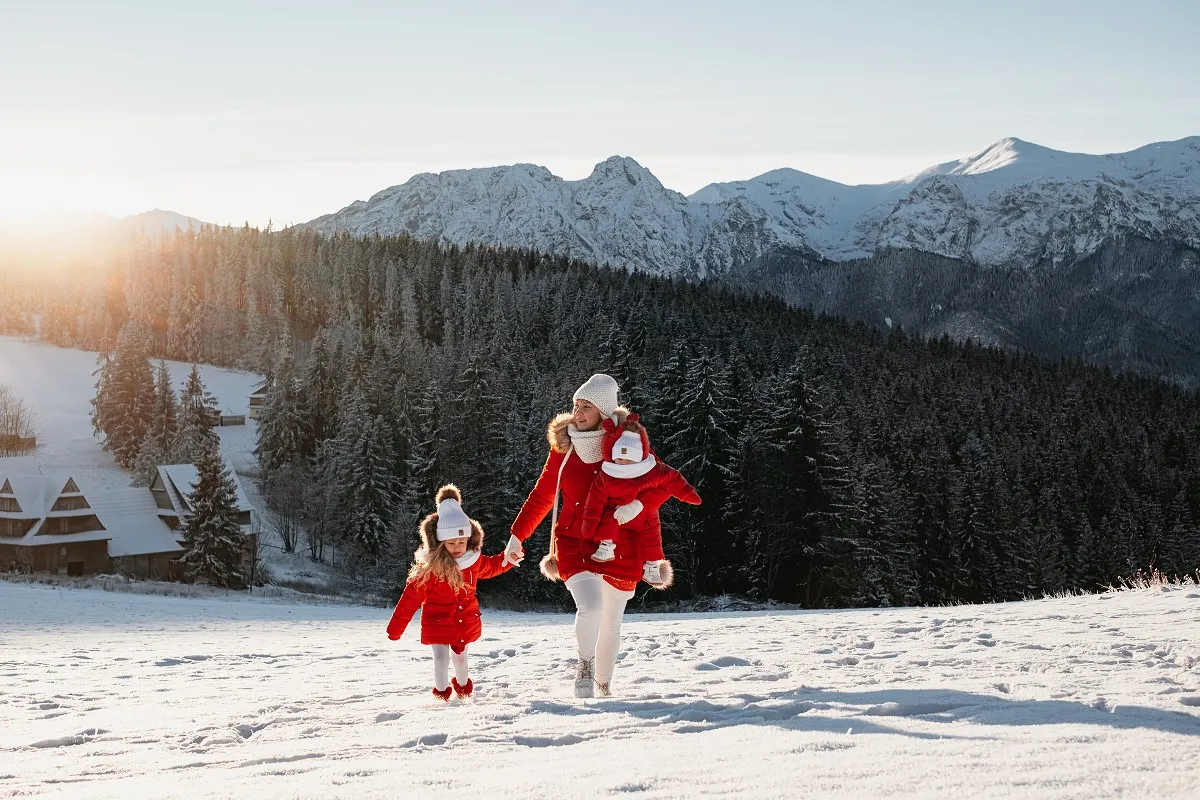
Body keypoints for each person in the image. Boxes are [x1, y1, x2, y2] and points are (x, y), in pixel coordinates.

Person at [504, 374, 679, 698]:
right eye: (576, 406)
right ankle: (584, 664)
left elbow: (663, 483)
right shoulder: (564, 448)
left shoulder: (629, 442)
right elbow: (543, 495)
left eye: (586, 407)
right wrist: (518, 536)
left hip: (619, 543)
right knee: (591, 606)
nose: (578, 413)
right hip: (574, 540)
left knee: (611, 622)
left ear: (604, 411)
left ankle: (604, 685)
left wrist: (638, 506)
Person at [387, 484, 521, 702]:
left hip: (463, 620)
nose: (457, 546)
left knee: (460, 658)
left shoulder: (473, 560)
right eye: (451, 542)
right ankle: (441, 695)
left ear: (469, 539)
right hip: (437, 621)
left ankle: (464, 690)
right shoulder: (430, 568)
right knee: (441, 659)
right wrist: (396, 628)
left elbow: (493, 566)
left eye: (462, 541)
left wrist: (507, 560)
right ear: (441, 542)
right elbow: (410, 598)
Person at [582, 425, 700, 587]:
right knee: (609, 521)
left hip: (645, 516)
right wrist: (589, 525)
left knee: (651, 537)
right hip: (618, 512)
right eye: (620, 458)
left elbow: (672, 479)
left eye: (628, 459)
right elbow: (595, 500)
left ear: (638, 458)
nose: (623, 463)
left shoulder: (651, 469)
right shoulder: (607, 475)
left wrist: (688, 494)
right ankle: (606, 546)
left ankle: (652, 566)